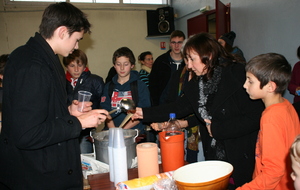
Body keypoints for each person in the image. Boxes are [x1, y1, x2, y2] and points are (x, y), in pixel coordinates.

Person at [132, 32, 264, 189]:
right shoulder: (197, 81)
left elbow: (255, 117)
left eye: (192, 59)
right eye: (186, 60)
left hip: (241, 154)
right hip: (214, 155)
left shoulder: (236, 74)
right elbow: (179, 107)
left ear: (208, 55)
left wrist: (217, 129)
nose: (188, 65)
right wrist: (144, 113)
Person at [0, 2, 108, 190]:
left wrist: (68, 110)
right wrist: (80, 122)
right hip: (37, 177)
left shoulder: (36, 57)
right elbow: (27, 134)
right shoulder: (33, 66)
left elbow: (37, 110)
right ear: (62, 32)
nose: (76, 46)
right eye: (76, 39)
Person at [236, 53, 300, 190]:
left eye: (250, 81)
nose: (244, 85)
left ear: (270, 87)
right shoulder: (287, 105)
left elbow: (273, 171)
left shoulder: (271, 118)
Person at [63, 49, 105, 154]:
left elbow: (103, 104)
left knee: (85, 163)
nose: (76, 69)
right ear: (66, 66)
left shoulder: (95, 81)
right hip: (65, 130)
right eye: (72, 66)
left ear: (85, 65)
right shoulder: (61, 82)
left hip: (86, 132)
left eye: (80, 65)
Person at [100, 47, 151, 133]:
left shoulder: (140, 86)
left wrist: (122, 130)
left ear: (132, 66)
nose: (122, 68)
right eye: (118, 64)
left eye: (126, 64)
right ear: (114, 66)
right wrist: (114, 131)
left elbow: (143, 112)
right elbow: (106, 112)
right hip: (112, 131)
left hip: (135, 133)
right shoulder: (109, 86)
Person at [148, 30, 186, 106]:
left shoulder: (189, 62)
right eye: (173, 42)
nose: (176, 46)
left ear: (184, 43)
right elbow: (153, 86)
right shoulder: (161, 61)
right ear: (170, 44)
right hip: (163, 104)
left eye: (179, 42)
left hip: (184, 104)